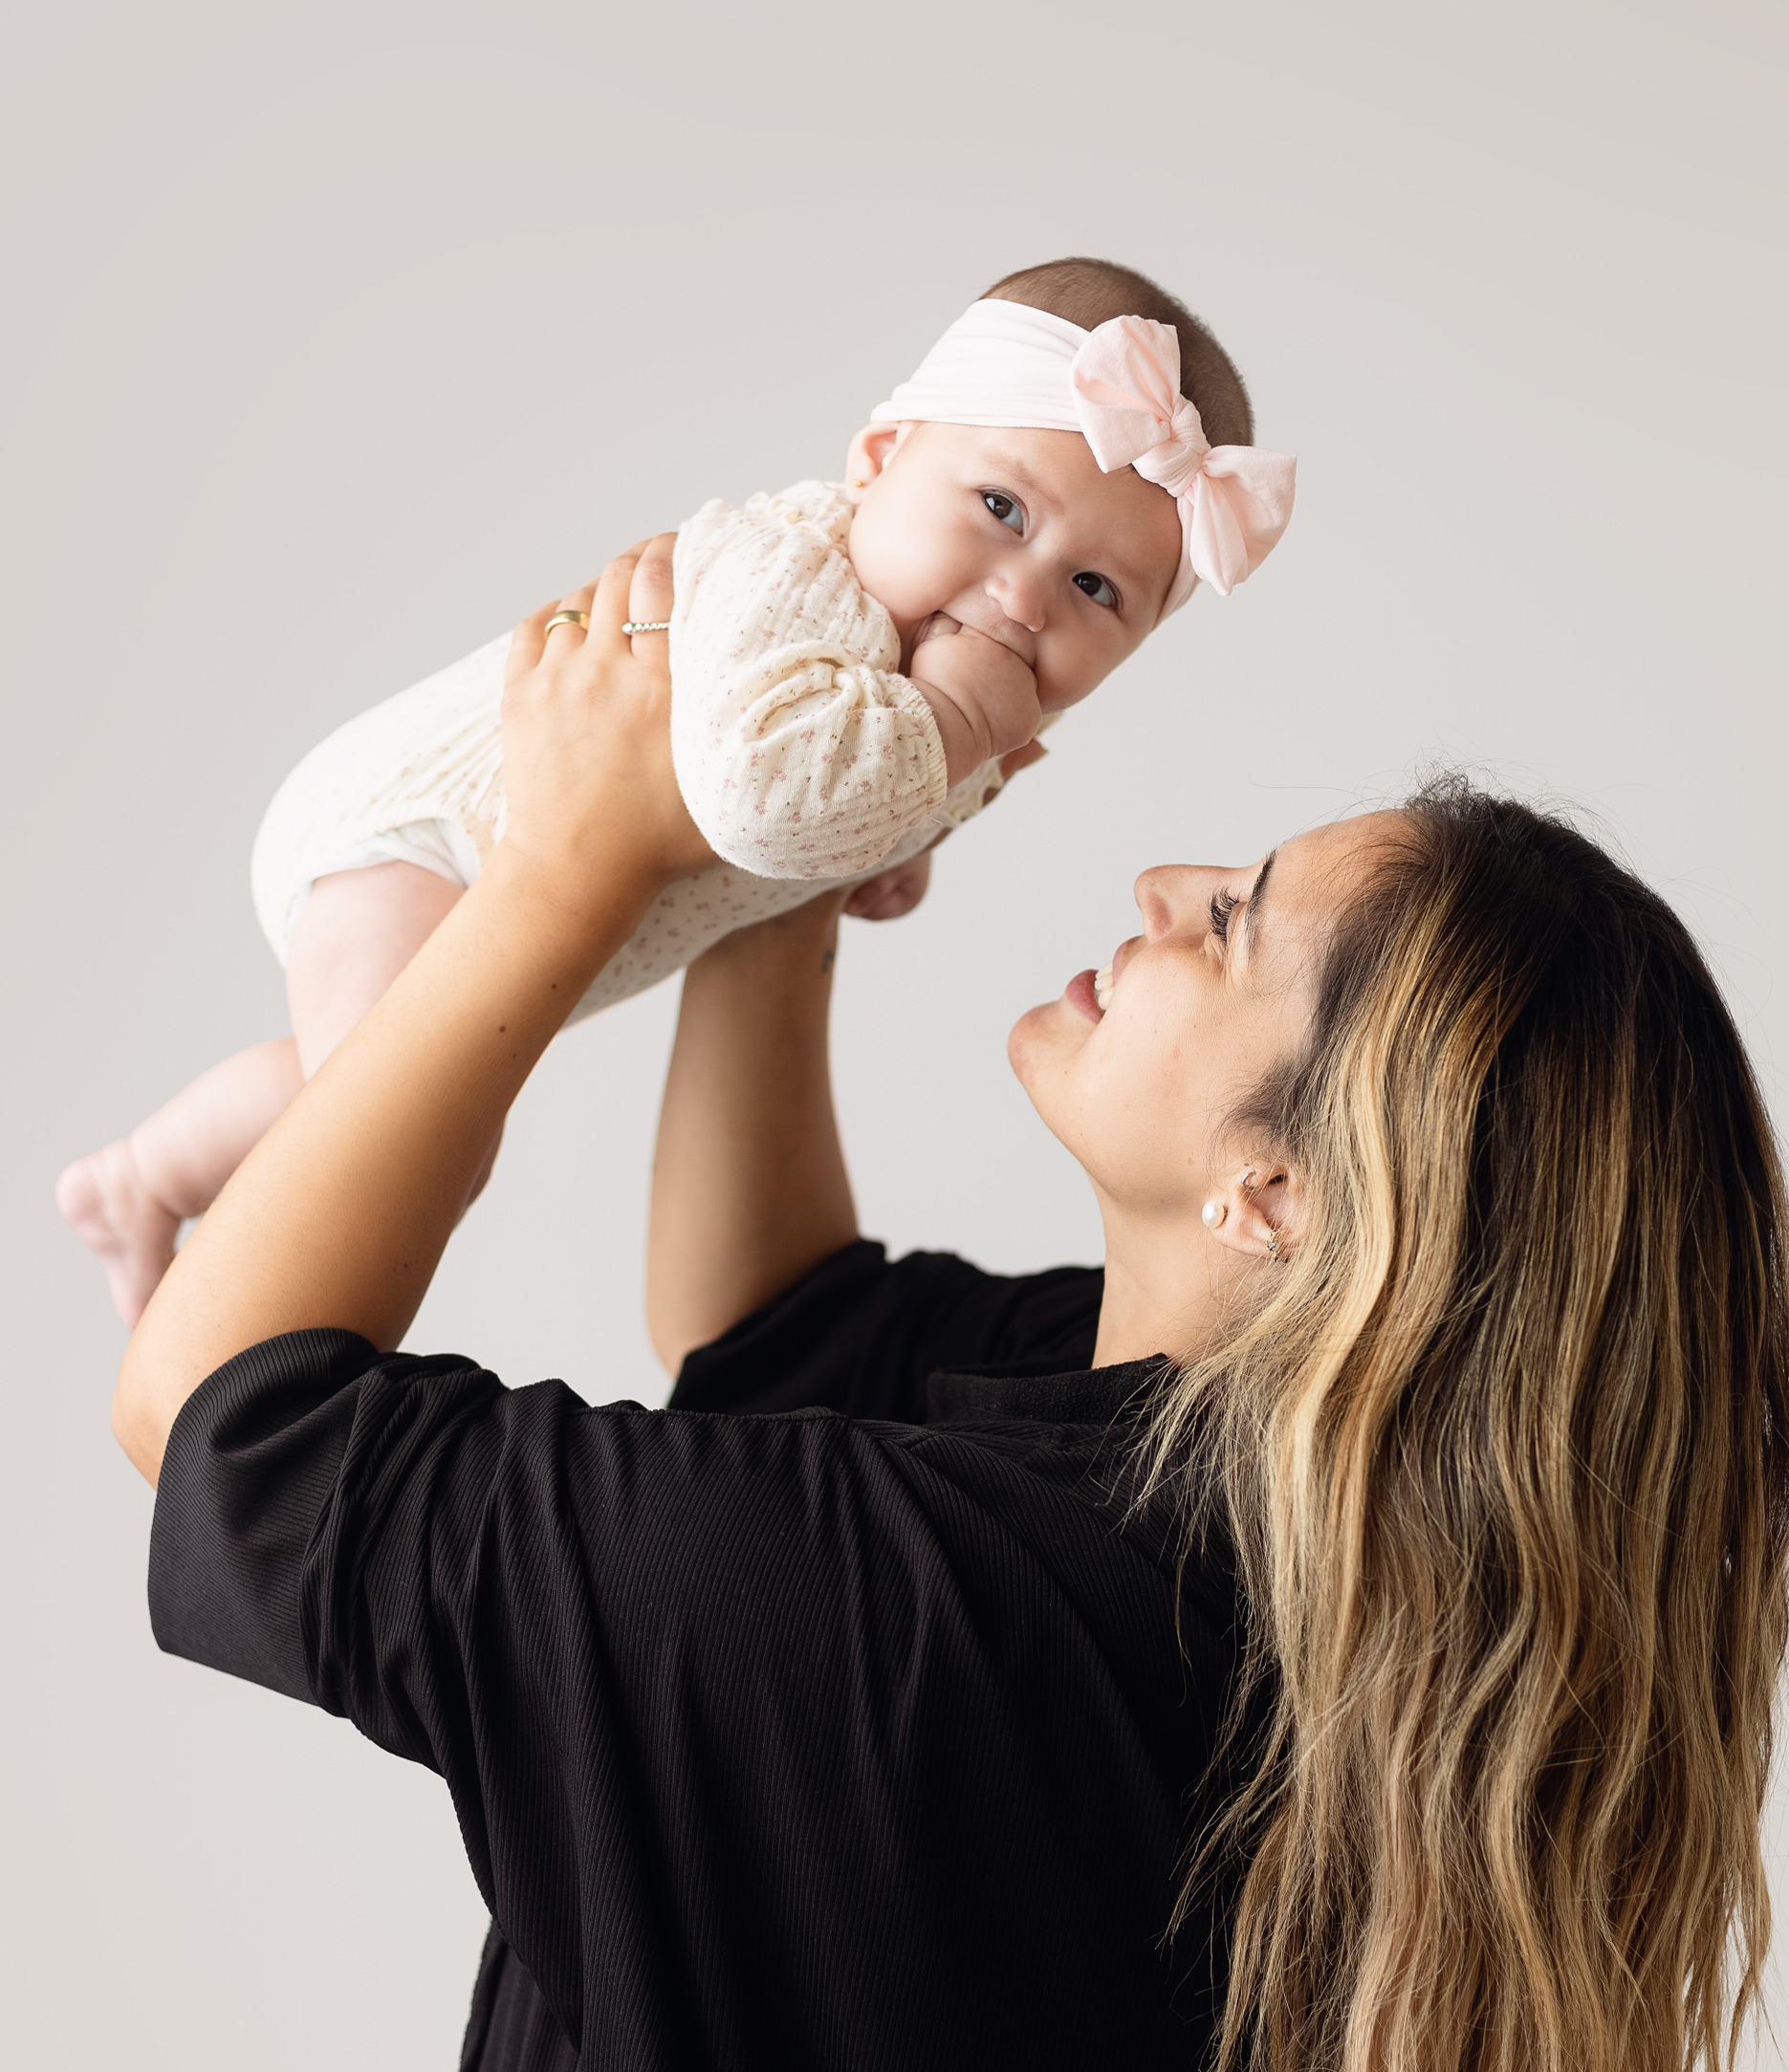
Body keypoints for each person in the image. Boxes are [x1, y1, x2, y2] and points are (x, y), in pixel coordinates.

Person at [117, 538, 1789, 2072]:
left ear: (1288, 1196)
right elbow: (778, 1328)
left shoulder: (893, 1618)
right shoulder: (1250, 1540)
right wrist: (774, 861)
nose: (1167, 885)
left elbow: (221, 1417)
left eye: (1240, 917)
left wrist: (561, 878)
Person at [57, 255, 1296, 1327]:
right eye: (999, 506)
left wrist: (901, 840)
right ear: (876, 460)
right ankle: (187, 1249)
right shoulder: (796, 576)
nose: (1023, 594)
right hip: (416, 834)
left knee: (393, 1105)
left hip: (523, 893)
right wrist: (954, 730)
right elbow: (765, 800)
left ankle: (154, 1188)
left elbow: (849, 806)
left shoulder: (955, 691)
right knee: (402, 1131)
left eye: (1096, 592)